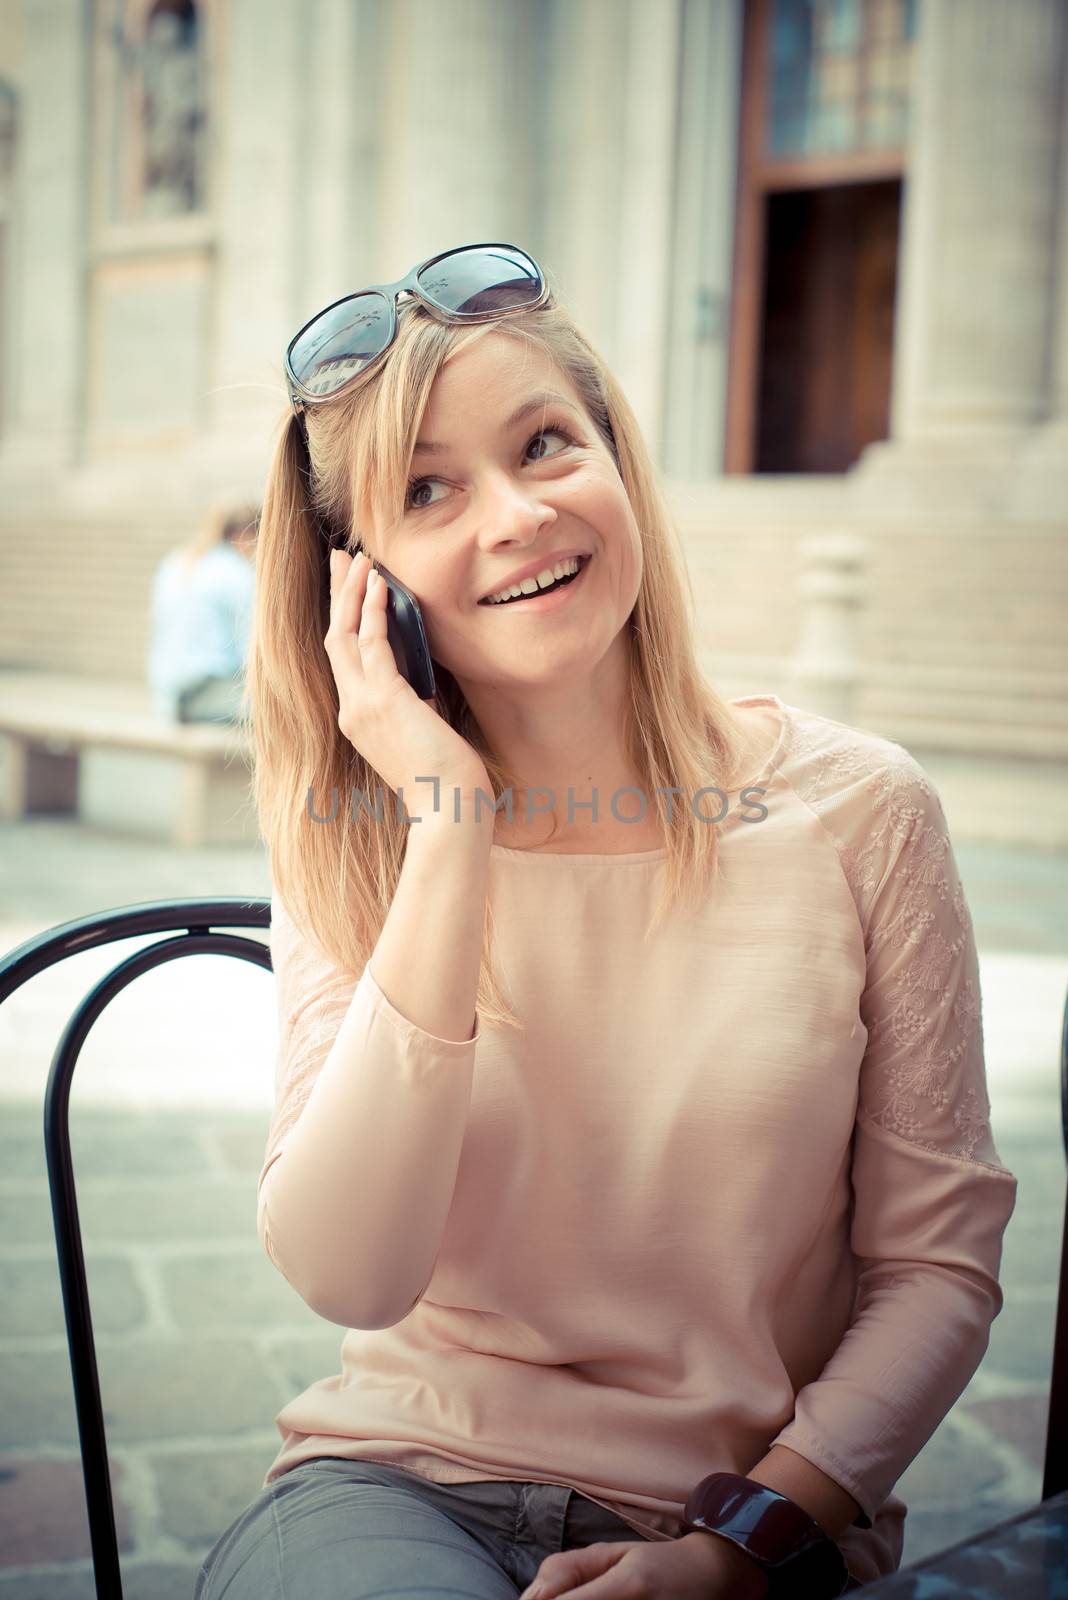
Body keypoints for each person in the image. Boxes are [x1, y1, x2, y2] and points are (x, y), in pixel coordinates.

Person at [195, 245, 1018, 1599]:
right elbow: (349, 1271)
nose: (515, 514)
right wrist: (451, 832)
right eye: (426, 489)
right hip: (403, 1487)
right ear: (361, 582)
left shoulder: (862, 809)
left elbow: (935, 1272)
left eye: (545, 444)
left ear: (618, 463)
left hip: (759, 1517)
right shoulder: (367, 837)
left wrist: (743, 1546)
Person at [145, 498, 258, 724]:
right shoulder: (236, 572)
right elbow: (251, 648)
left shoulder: (175, 562)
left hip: (167, 691)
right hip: (208, 691)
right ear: (242, 536)